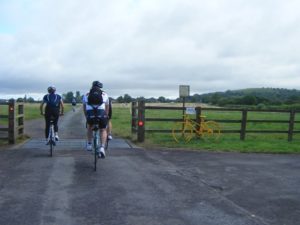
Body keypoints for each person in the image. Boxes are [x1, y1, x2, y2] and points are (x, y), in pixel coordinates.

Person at [82, 81, 109, 158]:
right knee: (103, 129)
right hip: (101, 113)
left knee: (89, 127)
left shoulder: (86, 94)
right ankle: (102, 148)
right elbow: (107, 107)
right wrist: (106, 115)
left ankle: (89, 144)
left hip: (90, 113)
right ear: (100, 87)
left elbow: (84, 107)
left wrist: (86, 116)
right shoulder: (105, 94)